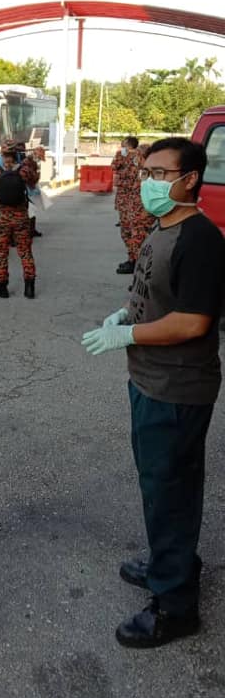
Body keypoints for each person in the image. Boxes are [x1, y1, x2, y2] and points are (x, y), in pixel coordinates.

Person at [82, 137, 225, 648]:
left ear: (190, 180)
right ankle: (173, 561)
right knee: (160, 484)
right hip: (149, 380)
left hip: (177, 388)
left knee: (170, 489)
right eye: (146, 172)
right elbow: (152, 292)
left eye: (161, 174)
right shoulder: (161, 229)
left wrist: (129, 334)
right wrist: (127, 314)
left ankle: (176, 605)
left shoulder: (200, 239)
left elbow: (192, 321)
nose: (149, 183)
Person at [0, 139, 39, 299]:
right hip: (21, 218)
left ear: (2, 153)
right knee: (25, 252)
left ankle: (1, 287)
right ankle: (29, 287)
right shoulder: (24, 170)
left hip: (2, 218)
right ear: (17, 153)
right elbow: (33, 184)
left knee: (1, 253)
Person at [111, 135, 140, 274]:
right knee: (132, 231)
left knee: (128, 231)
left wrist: (121, 157)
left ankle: (134, 260)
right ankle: (133, 259)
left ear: (127, 144)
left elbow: (114, 167)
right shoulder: (140, 157)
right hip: (134, 198)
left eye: (123, 144)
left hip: (127, 198)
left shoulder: (122, 155)